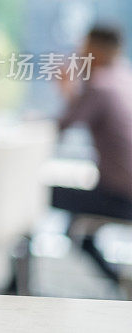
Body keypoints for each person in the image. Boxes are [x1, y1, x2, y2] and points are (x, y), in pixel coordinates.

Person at [53, 25, 132, 282]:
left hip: (120, 197)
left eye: (83, 48)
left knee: (34, 194)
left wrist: (66, 86)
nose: (78, 53)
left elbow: (63, 125)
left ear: (95, 51)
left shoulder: (100, 86)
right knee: (77, 228)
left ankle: (16, 283)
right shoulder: (123, 77)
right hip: (121, 190)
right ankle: (117, 279)